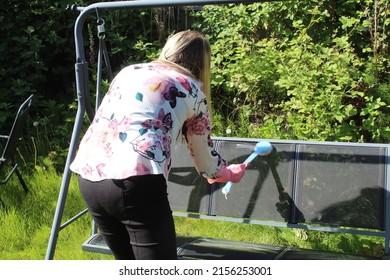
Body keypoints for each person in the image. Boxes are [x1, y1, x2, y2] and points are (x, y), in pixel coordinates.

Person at [70, 30, 249, 260]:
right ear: (203, 63)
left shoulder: (129, 71)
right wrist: (226, 173)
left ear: (169, 49)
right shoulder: (193, 90)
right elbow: (205, 162)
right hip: (136, 182)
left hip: (89, 176)